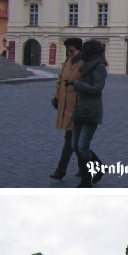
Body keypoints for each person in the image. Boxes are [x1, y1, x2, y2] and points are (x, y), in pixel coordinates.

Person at [65, 39, 108, 188]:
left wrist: (76, 84)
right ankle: (99, 167)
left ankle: (86, 180)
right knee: (75, 146)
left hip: (91, 110)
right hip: (80, 108)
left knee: (82, 146)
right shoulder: (86, 64)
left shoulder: (100, 67)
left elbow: (97, 89)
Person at [50, 38, 83, 181]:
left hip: (77, 107)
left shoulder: (84, 64)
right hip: (66, 105)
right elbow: (60, 81)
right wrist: (56, 97)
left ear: (79, 50)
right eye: (68, 50)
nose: (69, 53)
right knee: (76, 142)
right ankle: (85, 168)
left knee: (70, 141)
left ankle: (60, 170)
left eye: (72, 50)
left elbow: (86, 85)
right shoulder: (67, 62)